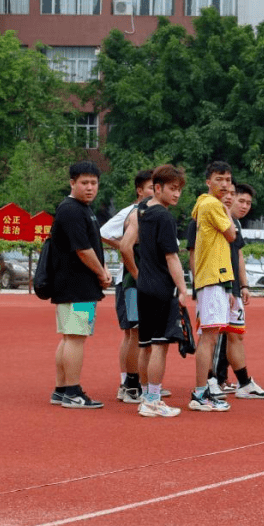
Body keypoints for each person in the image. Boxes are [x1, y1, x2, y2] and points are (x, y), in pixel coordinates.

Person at [186, 182, 264, 400]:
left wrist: (243, 285)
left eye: (239, 197)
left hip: (230, 284)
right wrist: (198, 284)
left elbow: (239, 255)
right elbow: (193, 254)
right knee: (211, 336)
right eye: (232, 195)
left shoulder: (234, 225)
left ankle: (243, 382)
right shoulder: (202, 217)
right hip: (212, 283)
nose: (233, 199)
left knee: (235, 335)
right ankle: (208, 383)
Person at [124, 165, 188, 418]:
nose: (177, 195)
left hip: (143, 285)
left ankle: (145, 395)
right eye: (172, 189)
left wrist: (139, 274)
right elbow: (172, 257)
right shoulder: (164, 217)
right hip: (161, 287)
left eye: (179, 190)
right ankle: (152, 399)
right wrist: (183, 288)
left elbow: (126, 245)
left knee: (145, 345)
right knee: (160, 346)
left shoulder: (141, 210)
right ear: (158, 187)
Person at [49, 161, 112, 409]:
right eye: (84, 183)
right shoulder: (73, 210)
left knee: (68, 337)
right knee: (76, 337)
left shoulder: (80, 209)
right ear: (72, 183)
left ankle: (62, 389)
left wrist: (101, 269)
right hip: (78, 285)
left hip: (71, 284)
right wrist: (101, 273)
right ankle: (73, 392)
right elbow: (83, 250)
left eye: (94, 183)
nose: (90, 188)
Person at [100, 169, 154, 404]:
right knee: (135, 333)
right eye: (152, 187)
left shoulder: (153, 213)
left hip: (139, 281)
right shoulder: (131, 212)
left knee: (134, 333)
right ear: (140, 190)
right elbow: (102, 233)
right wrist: (126, 247)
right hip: (131, 282)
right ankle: (131, 384)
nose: (156, 191)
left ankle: (132, 382)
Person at [187, 161, 237, 412]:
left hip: (214, 277)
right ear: (208, 181)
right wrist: (228, 208)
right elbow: (231, 234)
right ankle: (200, 393)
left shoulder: (204, 205)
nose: (225, 184)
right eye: (219, 179)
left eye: (228, 179)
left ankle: (203, 390)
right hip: (212, 277)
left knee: (211, 336)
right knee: (208, 338)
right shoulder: (211, 205)